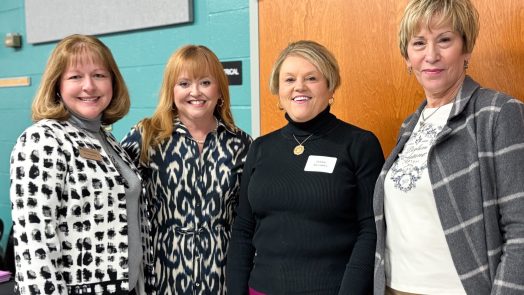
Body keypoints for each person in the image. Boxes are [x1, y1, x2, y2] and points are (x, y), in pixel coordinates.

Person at [373, 0, 524, 294]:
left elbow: (521, 230)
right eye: (419, 43)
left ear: (466, 49)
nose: (431, 55)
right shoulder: (410, 126)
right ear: (407, 56)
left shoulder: (497, 113)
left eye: (444, 40)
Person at [226, 40, 384, 295]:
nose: (299, 86)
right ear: (279, 91)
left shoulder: (359, 144)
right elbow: (244, 228)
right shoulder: (261, 148)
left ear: (330, 85)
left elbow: (371, 231)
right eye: (289, 80)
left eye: (311, 78)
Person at [9, 34, 153, 295]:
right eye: (75, 77)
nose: (89, 86)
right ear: (57, 85)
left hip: (126, 286)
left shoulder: (106, 138)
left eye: (99, 75)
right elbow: (34, 241)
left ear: (113, 82)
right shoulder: (43, 139)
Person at [121, 44, 252, 295]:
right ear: (171, 90)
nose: (195, 92)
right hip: (160, 275)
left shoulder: (241, 144)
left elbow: (248, 218)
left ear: (219, 89)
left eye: (205, 82)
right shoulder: (146, 137)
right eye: (184, 83)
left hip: (222, 276)